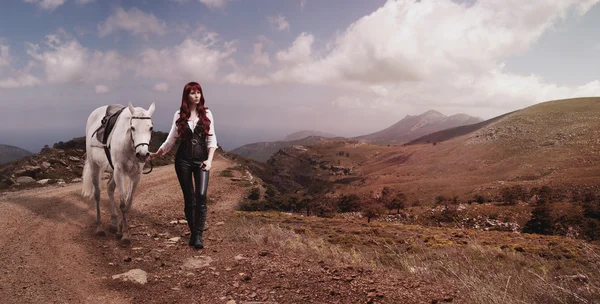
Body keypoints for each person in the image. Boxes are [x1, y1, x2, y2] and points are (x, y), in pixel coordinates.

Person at [149, 81, 217, 249]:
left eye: (198, 92)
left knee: (201, 196)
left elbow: (212, 138)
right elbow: (171, 139)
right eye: (193, 93)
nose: (196, 95)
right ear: (187, 95)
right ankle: (195, 234)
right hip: (183, 161)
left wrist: (209, 160)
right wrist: (157, 154)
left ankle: (198, 233)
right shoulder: (179, 115)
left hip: (201, 160)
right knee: (189, 198)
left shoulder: (207, 113)